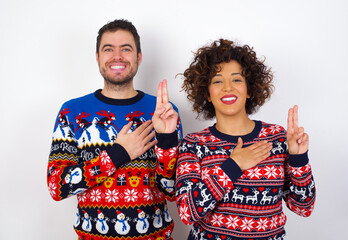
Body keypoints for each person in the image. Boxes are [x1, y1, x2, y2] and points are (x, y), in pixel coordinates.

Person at [47, 19, 182, 240]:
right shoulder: (71, 111)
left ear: (139, 57)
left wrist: (167, 139)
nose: (117, 56)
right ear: (98, 57)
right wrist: (118, 154)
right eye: (108, 49)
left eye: (126, 49)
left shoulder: (163, 111)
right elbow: (56, 186)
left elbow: (172, 191)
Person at [174, 39, 316, 240]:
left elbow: (304, 208)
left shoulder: (276, 138)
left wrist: (298, 159)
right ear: (207, 93)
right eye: (217, 81)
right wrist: (233, 166)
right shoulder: (194, 144)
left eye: (237, 79)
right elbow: (187, 212)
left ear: (250, 89)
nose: (227, 88)